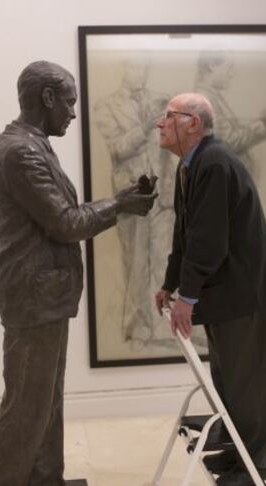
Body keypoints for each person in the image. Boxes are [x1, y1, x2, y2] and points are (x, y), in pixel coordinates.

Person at [0, 61, 157, 486]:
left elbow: (64, 217)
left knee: (46, 397)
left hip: (44, 291)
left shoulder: (33, 147)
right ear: (47, 99)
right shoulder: (20, 154)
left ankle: (44, 485)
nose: (73, 112)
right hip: (32, 294)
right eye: (69, 101)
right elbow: (66, 223)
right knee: (27, 403)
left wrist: (120, 199)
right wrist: (120, 204)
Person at [155, 92, 266, 486]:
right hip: (228, 291)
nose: (160, 123)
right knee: (227, 377)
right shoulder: (190, 166)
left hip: (244, 290)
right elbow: (187, 233)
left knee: (247, 381)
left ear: (193, 123)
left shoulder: (213, 164)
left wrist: (188, 299)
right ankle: (238, 451)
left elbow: (210, 240)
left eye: (169, 116)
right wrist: (170, 283)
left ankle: (256, 464)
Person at [94, 61, 180, 347]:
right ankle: (138, 330)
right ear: (123, 70)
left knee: (164, 263)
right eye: (134, 68)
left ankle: (166, 326)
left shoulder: (161, 100)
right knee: (136, 266)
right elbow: (118, 148)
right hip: (132, 197)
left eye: (144, 67)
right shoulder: (106, 106)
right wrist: (145, 127)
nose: (141, 73)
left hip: (164, 198)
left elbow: (172, 147)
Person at [195, 51, 266, 177]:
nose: (232, 74)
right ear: (212, 65)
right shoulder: (205, 99)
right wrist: (265, 123)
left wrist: (264, 121)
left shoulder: (209, 98)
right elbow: (226, 143)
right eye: (229, 67)